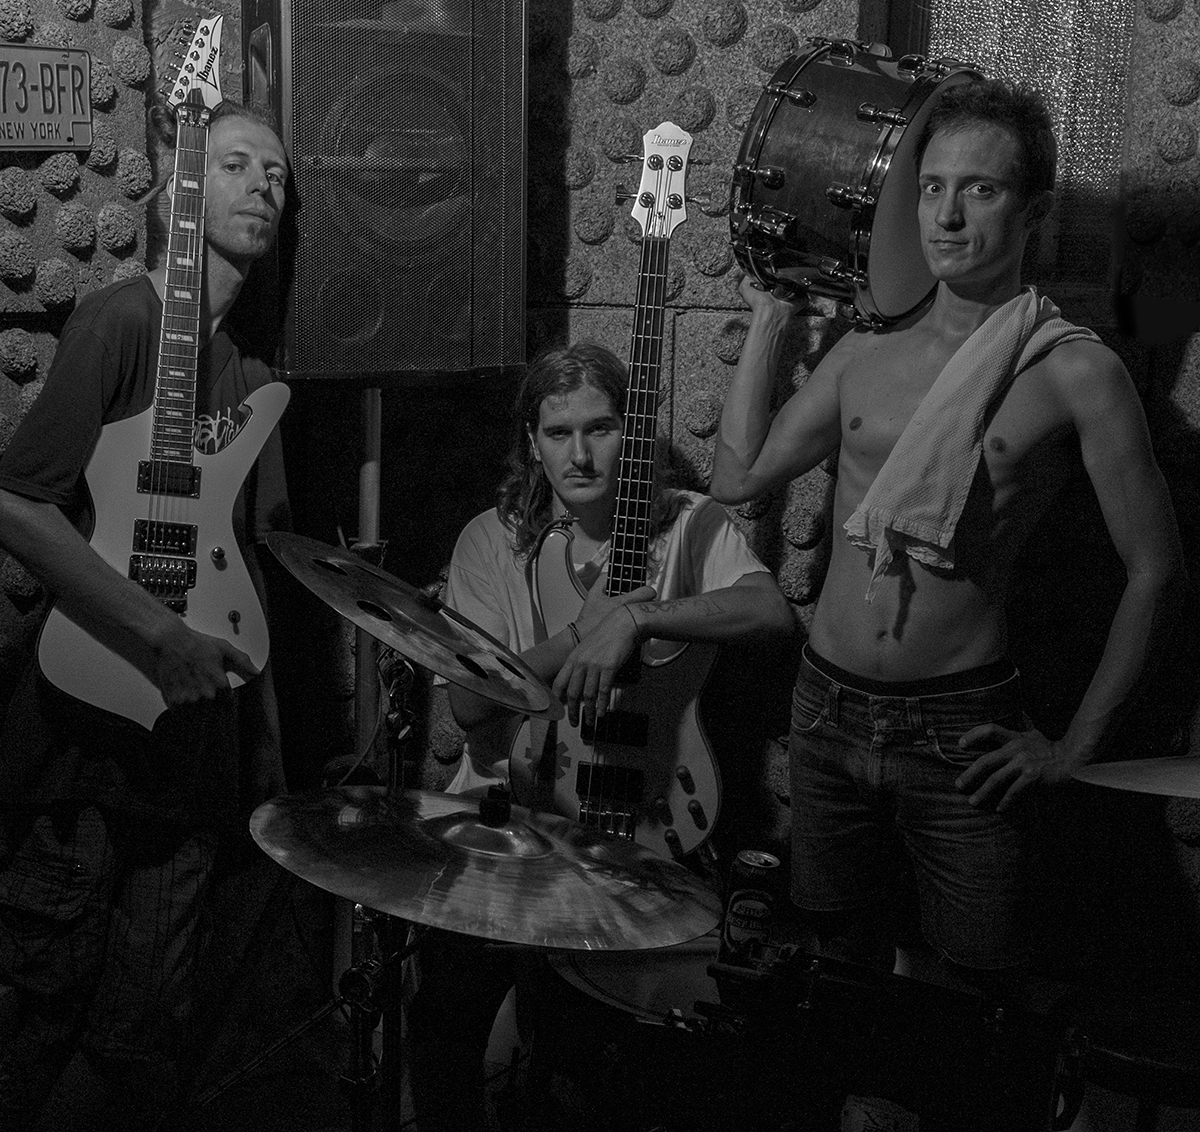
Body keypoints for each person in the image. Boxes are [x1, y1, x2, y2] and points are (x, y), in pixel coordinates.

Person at [710, 77, 1186, 991]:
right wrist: (769, 320)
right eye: (932, 187)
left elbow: (1156, 571)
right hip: (823, 710)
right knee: (832, 971)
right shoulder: (863, 351)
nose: (948, 215)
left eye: (981, 189)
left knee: (973, 990)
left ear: (1033, 212)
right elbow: (738, 479)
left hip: (961, 732)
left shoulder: (1074, 370)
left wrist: (1073, 748)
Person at [408, 340, 794, 1131]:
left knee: (616, 1065)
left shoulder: (688, 525)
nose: (579, 455)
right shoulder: (491, 539)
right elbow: (471, 710)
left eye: (601, 428)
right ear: (532, 443)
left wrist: (640, 618)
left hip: (645, 815)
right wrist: (581, 635)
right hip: (509, 810)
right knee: (442, 1019)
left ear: (633, 433)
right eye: (558, 433)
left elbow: (771, 614)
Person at [0, 100, 292, 1130]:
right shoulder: (122, 319)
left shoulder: (254, 379)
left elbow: (250, 559)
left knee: (144, 1032)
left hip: (193, 752)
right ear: (183, 190)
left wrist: (263, 732)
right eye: (239, 164)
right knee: (39, 1007)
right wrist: (159, 633)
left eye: (277, 176)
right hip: (83, 734)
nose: (264, 187)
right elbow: (17, 501)